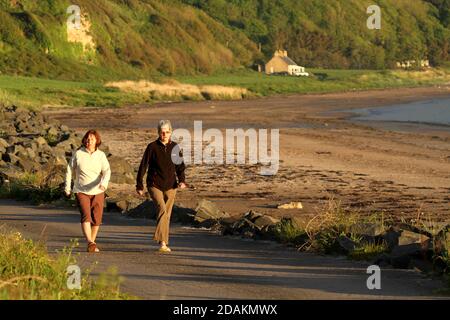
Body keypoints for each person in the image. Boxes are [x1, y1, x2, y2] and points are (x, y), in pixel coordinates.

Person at [136, 120, 186, 253]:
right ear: (158, 132)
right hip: (154, 184)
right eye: (162, 132)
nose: (164, 134)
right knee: (162, 210)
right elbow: (143, 166)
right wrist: (139, 185)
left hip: (171, 185)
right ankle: (163, 243)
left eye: (167, 132)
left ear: (171, 132)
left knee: (166, 215)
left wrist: (182, 180)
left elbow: (180, 166)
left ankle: (162, 241)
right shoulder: (152, 147)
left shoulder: (175, 147)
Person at [65, 129, 111, 253]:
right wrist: (67, 188)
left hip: (98, 191)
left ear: (97, 141)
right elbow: (70, 170)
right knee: (86, 216)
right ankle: (90, 242)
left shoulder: (101, 155)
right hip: (81, 190)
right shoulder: (78, 154)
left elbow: (107, 171)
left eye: (92, 139)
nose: (89, 141)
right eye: (87, 138)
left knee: (97, 220)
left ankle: (92, 243)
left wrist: (104, 184)